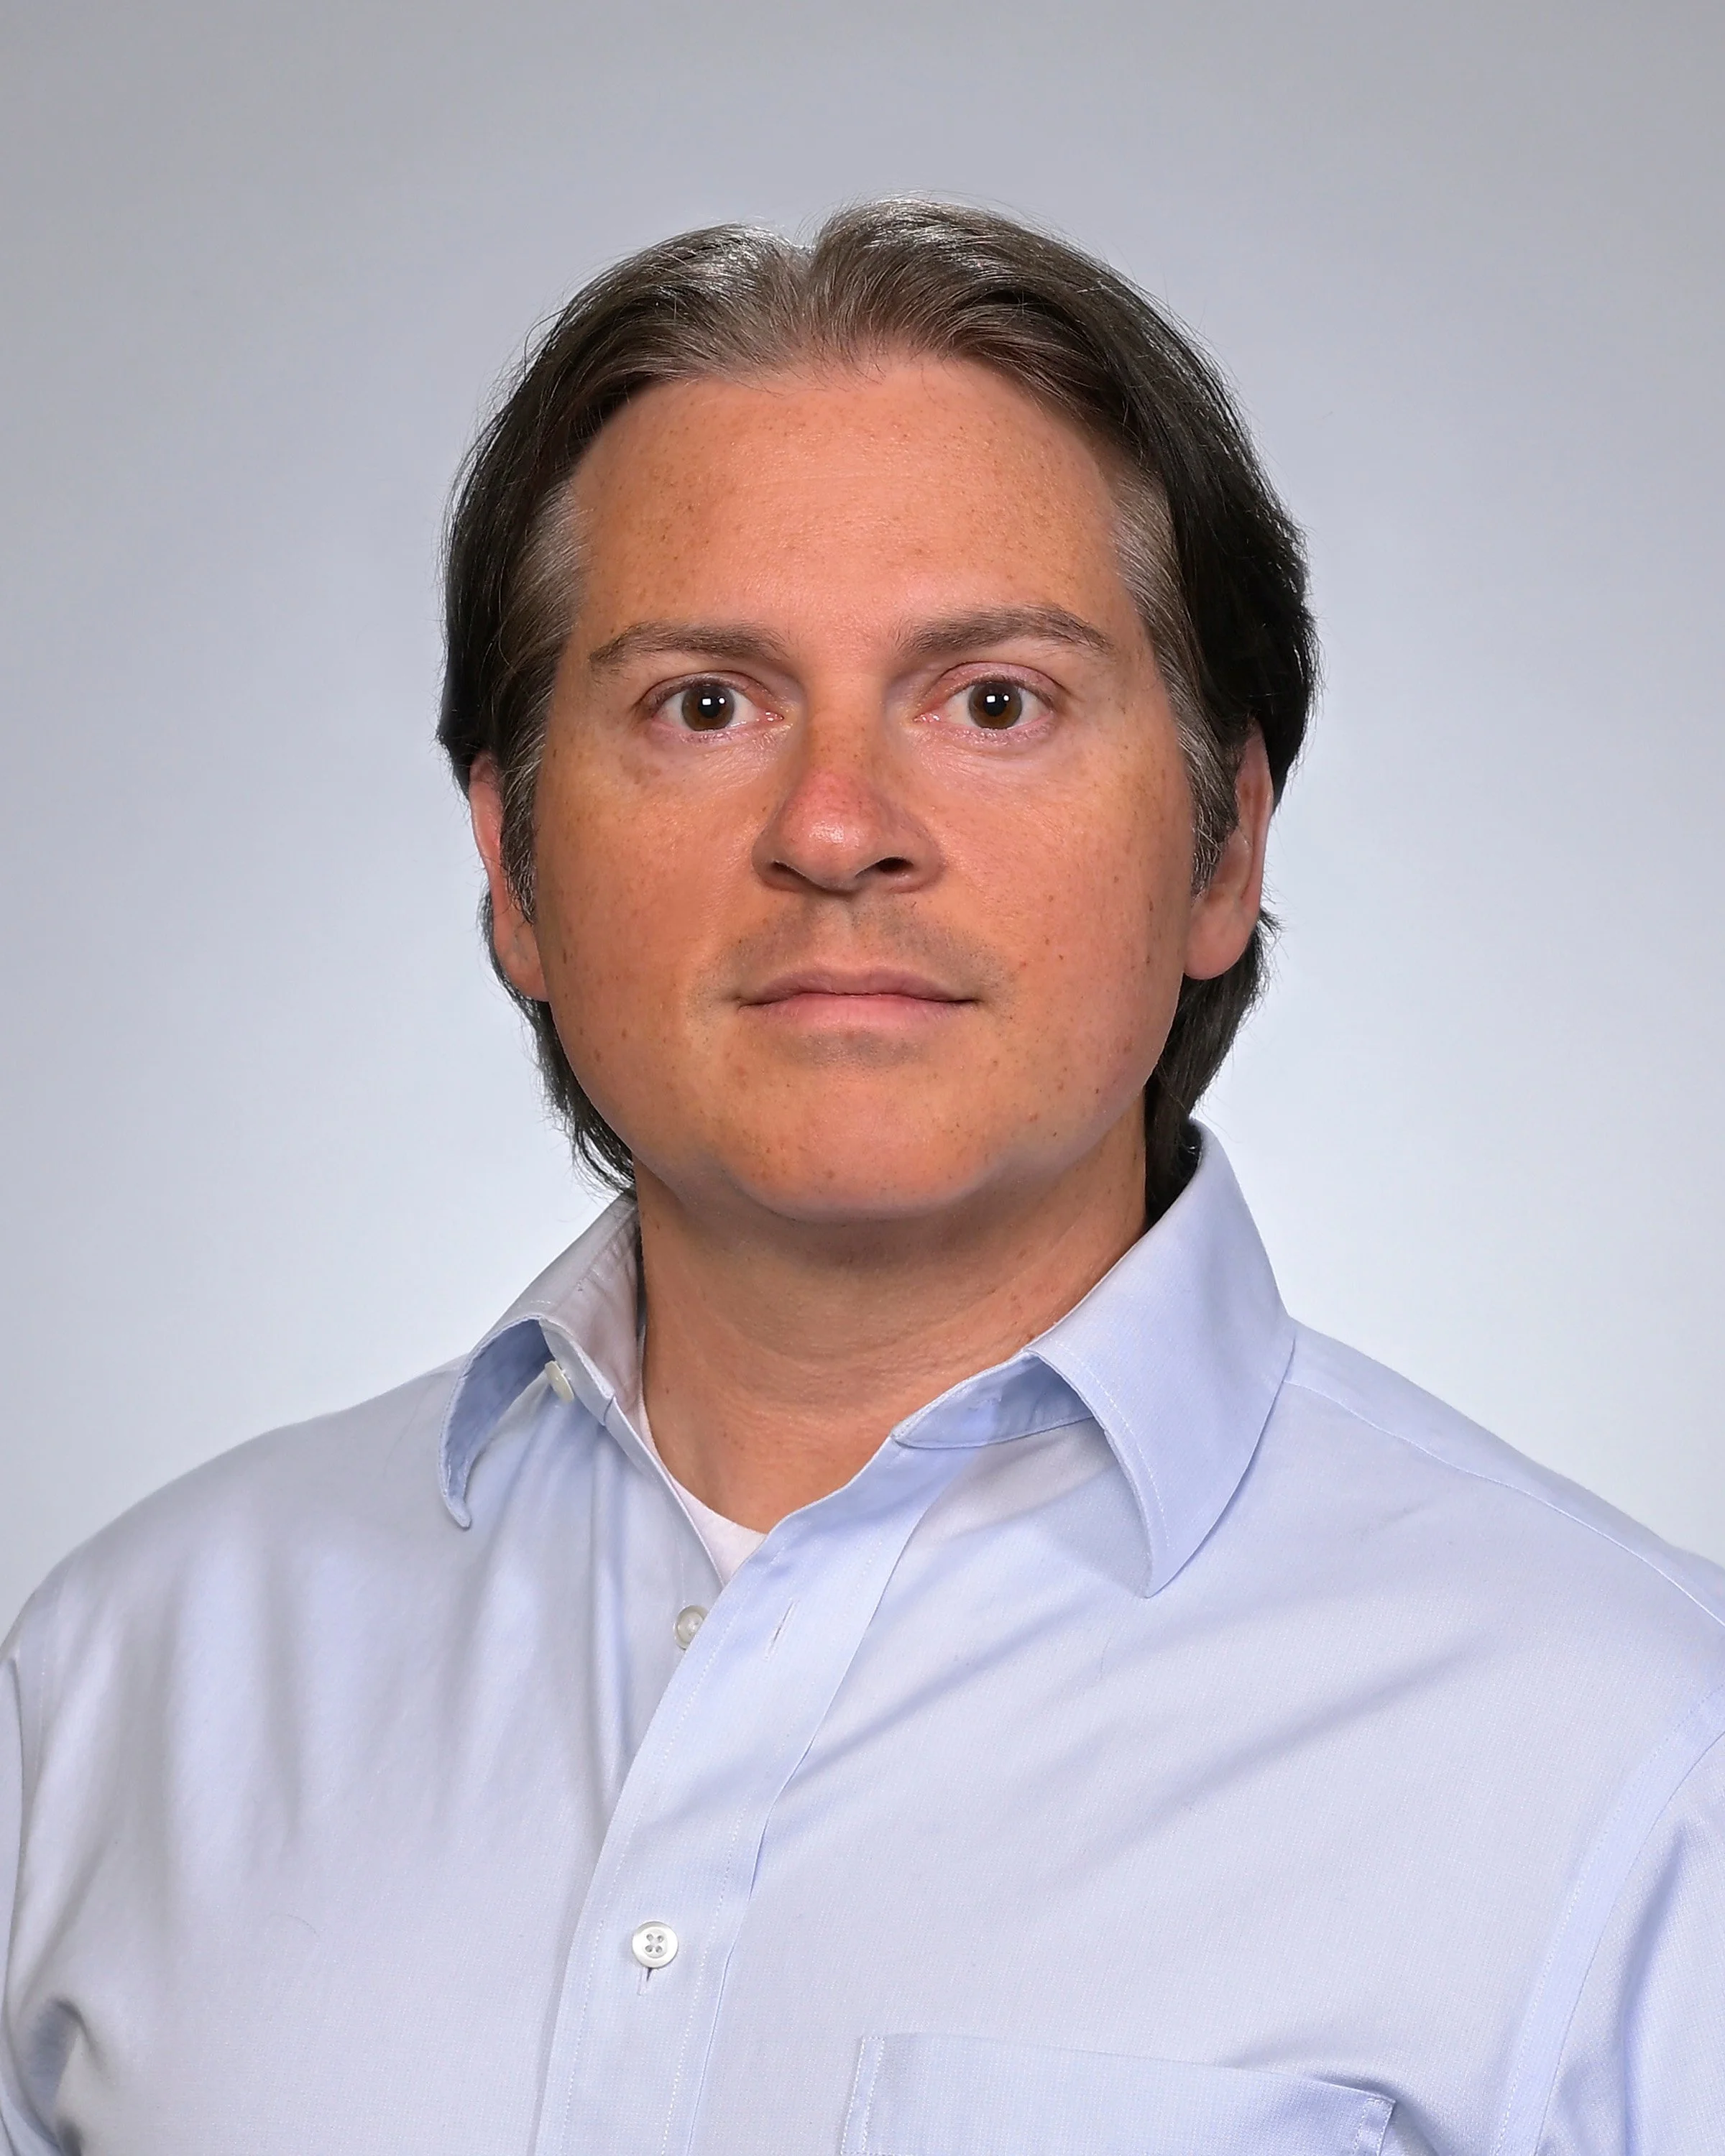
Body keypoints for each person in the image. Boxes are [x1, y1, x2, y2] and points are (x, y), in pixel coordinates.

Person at [2, 201, 1720, 2156]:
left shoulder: (1641, 1761)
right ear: (513, 869)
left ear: (1223, 848)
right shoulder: (122, 1686)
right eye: (704, 706)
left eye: (995, 701)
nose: (835, 830)